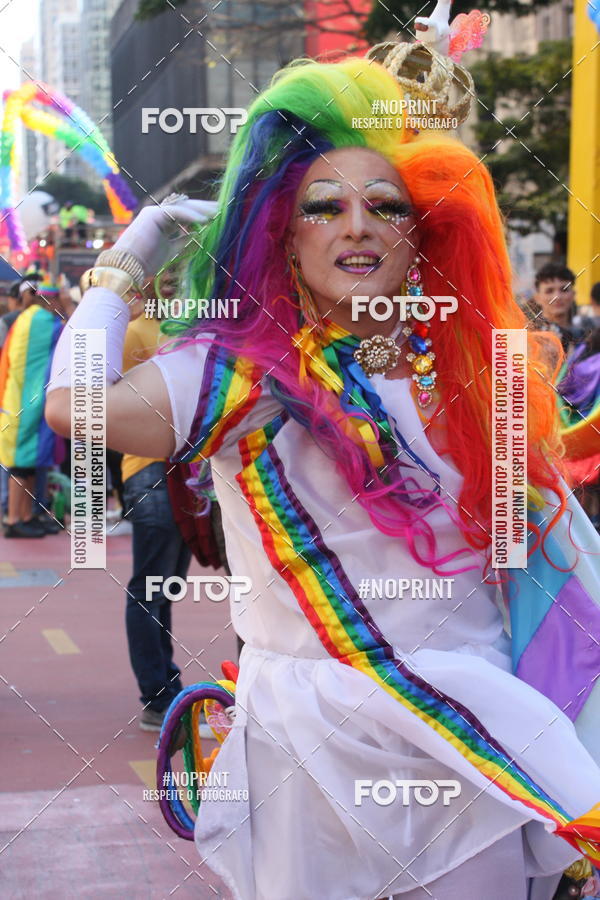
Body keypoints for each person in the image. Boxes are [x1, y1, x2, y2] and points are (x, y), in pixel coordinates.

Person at [47, 43, 600, 900]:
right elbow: (73, 408)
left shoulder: (466, 373)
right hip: (315, 749)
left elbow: (526, 564)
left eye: (387, 205)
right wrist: (124, 264)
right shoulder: (241, 373)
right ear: (281, 230)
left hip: (471, 735)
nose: (357, 224)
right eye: (323, 205)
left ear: (423, 235)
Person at [120, 269, 192, 731]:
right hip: (148, 468)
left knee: (167, 585)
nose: (171, 284)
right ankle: (156, 694)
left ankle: (166, 684)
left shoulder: (191, 327)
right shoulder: (132, 332)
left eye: (178, 275)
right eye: (163, 276)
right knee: (151, 585)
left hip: (189, 472)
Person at [1, 281, 65, 537]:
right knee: (21, 465)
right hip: (24, 403)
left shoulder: (28, 317)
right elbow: (73, 333)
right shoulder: (41, 320)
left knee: (28, 464)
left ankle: (26, 516)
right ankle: (14, 520)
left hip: (19, 400)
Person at [531, 262, 586, 356]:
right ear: (537, 298)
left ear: (573, 295)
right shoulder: (526, 338)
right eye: (549, 291)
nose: (557, 297)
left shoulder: (586, 337)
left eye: (564, 290)